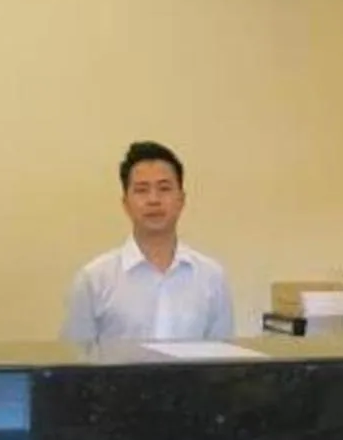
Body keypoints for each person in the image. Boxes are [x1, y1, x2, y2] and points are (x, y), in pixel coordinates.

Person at [62, 140, 233, 344]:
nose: (153, 199)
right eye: (142, 190)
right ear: (126, 203)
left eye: (164, 188)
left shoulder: (211, 277)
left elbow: (224, 365)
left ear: (181, 199)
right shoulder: (94, 279)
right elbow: (75, 364)